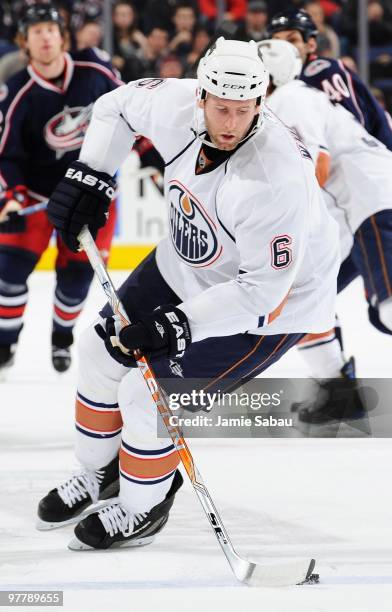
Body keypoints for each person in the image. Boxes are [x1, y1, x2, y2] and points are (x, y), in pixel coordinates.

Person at [37, 37, 340, 550]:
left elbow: (262, 291)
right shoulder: (176, 103)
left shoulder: (276, 177)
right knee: (98, 351)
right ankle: (98, 472)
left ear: (261, 103)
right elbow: (114, 106)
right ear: (200, 96)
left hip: (272, 305)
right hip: (188, 260)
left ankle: (142, 507)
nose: (229, 123)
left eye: (243, 111)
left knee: (147, 396)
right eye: (220, 108)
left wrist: (176, 325)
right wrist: (92, 174)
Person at [260, 39, 392, 424]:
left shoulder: (291, 97)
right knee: (296, 296)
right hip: (344, 209)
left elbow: (316, 167)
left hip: (367, 196)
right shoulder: (277, 104)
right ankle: (339, 392)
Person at [0, 3, 121, 374]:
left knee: (76, 279)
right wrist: (11, 197)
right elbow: (6, 154)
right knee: (7, 274)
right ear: (25, 42)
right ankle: (6, 341)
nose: (46, 37)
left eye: (51, 29)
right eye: (36, 31)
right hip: (36, 196)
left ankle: (62, 338)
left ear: (62, 35)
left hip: (91, 195)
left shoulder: (97, 71)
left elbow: (134, 112)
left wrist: (150, 154)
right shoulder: (17, 90)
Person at [267, 8, 392, 170]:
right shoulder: (277, 81)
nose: (283, 47)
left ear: (311, 44)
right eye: (277, 40)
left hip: (388, 157)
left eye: (292, 40)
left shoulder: (323, 71)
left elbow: (355, 128)